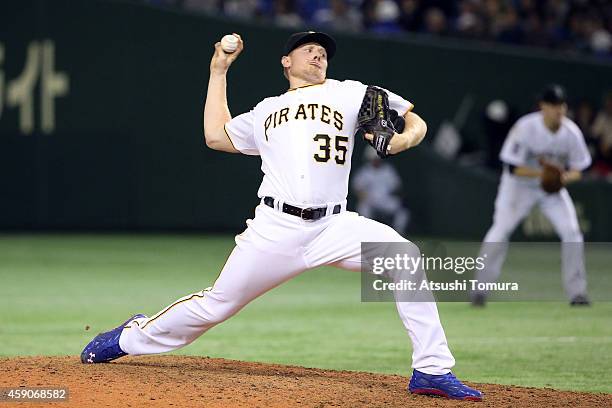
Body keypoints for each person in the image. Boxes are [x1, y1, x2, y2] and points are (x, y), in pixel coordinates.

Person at [81, 31, 482, 401]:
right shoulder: (267, 110)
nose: (318, 53)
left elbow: (415, 119)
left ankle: (431, 370)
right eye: (308, 49)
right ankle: (130, 338)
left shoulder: (350, 92)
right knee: (215, 306)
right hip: (276, 228)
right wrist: (218, 71)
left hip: (334, 225)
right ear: (286, 62)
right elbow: (215, 136)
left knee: (405, 257)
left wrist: (403, 139)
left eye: (323, 51)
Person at [472, 84, 592, 307]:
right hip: (518, 186)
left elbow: (579, 168)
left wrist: (563, 178)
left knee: (572, 232)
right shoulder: (526, 127)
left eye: (562, 105)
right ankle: (480, 289)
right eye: (554, 105)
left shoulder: (571, 132)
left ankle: (578, 293)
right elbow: (511, 167)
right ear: (543, 107)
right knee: (500, 230)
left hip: (551, 189)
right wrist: (543, 173)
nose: (559, 110)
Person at [353, 147, 410, 235]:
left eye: (378, 158)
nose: (376, 160)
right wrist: (363, 196)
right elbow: (357, 188)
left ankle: (399, 233)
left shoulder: (388, 170)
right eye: (374, 158)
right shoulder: (365, 171)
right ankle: (367, 233)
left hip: (385, 199)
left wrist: (393, 194)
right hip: (370, 200)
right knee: (363, 208)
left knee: (402, 212)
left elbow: (396, 187)